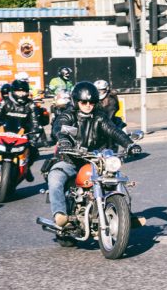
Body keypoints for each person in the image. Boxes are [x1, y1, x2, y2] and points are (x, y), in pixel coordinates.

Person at [48, 82, 140, 228]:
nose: (88, 105)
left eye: (91, 102)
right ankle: (60, 215)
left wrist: (129, 144)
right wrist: (64, 140)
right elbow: (59, 127)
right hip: (70, 160)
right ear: (76, 101)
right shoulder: (68, 115)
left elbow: (114, 131)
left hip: (94, 160)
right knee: (55, 178)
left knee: (116, 177)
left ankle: (125, 214)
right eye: (84, 102)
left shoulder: (99, 117)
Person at [0, 78, 37, 181]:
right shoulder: (5, 102)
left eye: (24, 91)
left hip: (23, 133)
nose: (21, 94)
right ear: (13, 91)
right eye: (19, 91)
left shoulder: (30, 104)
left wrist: (35, 134)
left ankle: (27, 169)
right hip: (4, 131)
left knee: (34, 152)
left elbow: (35, 121)